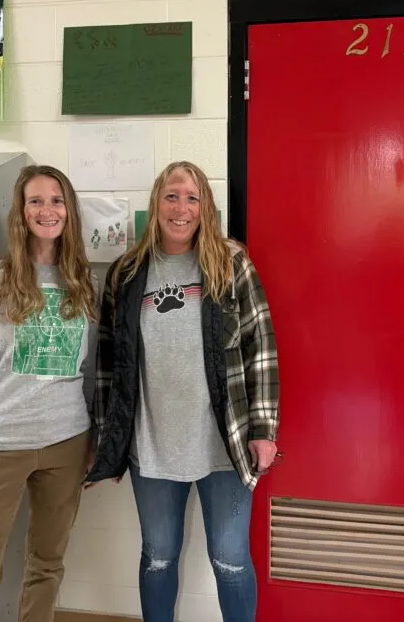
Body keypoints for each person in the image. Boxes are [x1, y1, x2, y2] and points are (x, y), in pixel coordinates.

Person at [86, 161, 280, 622]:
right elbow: (109, 361)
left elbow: (261, 347)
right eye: (172, 196)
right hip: (152, 446)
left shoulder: (231, 264)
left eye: (192, 198)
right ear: (156, 203)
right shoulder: (127, 273)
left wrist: (264, 429)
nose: (181, 208)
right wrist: (108, 440)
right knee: (158, 557)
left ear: (205, 208)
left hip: (224, 444)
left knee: (230, 560)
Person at [0, 164, 99, 622]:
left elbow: (89, 370)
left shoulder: (83, 283)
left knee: (47, 564)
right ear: (21, 212)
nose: (47, 210)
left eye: (56, 200)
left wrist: (93, 440)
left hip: (67, 443)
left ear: (69, 210)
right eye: (36, 201)